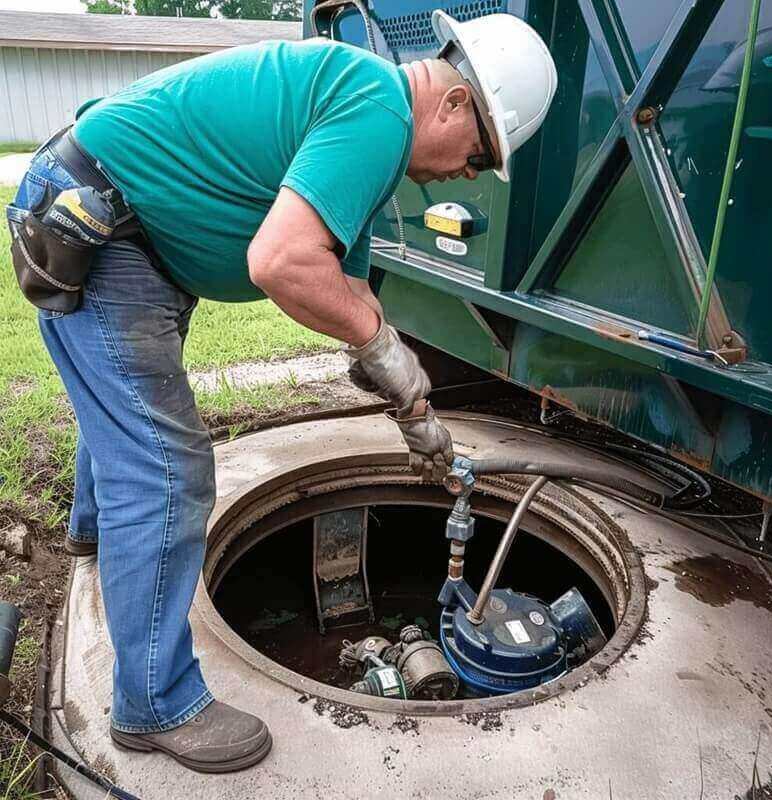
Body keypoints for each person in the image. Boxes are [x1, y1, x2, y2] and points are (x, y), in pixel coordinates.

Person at [5, 11, 556, 774]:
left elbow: (349, 294)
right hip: (100, 227)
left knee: (127, 412)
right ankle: (154, 706)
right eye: (475, 156)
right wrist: (385, 348)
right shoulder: (377, 110)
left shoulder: (368, 118)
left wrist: (417, 414)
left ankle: (96, 532)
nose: (465, 176)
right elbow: (282, 262)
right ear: (454, 103)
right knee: (168, 471)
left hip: (126, 226)